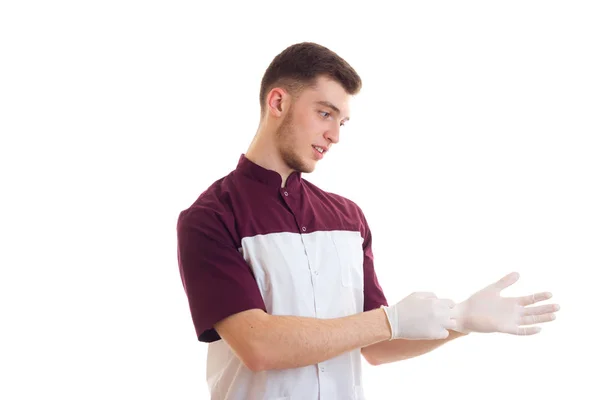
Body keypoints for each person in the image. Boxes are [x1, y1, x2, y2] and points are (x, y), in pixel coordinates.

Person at [176, 42, 560, 400]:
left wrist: (462, 320)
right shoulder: (210, 218)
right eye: (324, 113)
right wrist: (389, 320)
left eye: (341, 122)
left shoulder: (347, 218)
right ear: (278, 101)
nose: (334, 135)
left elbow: (376, 345)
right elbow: (258, 346)